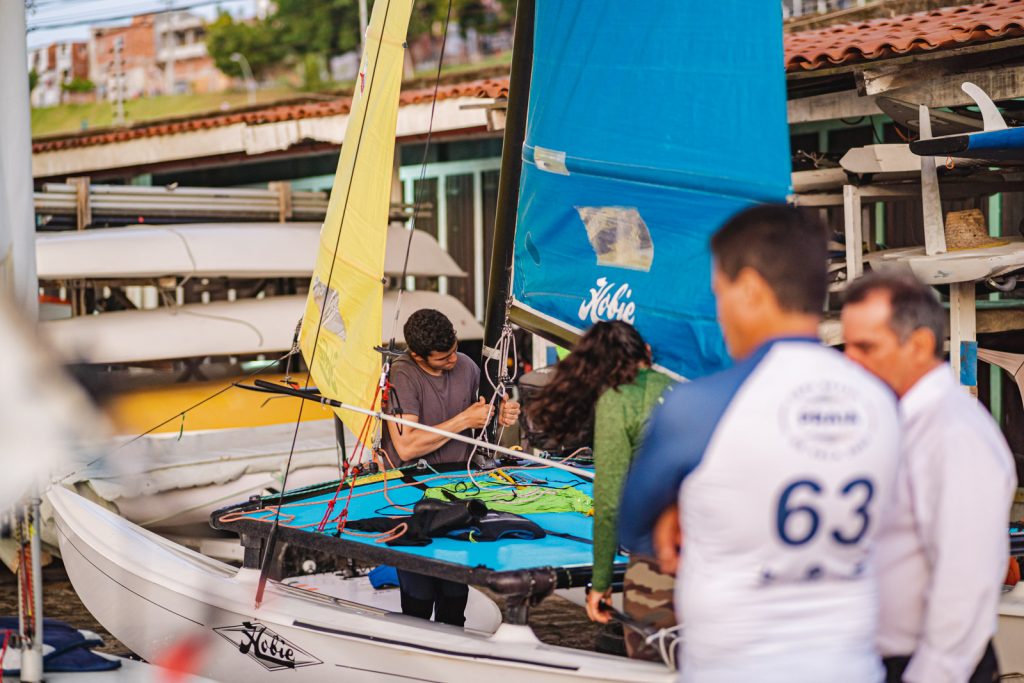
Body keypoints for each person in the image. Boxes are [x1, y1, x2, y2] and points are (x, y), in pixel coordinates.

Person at [618, 204, 901, 682]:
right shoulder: (881, 402)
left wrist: (678, 510)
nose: (720, 313)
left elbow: (633, 529)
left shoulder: (698, 407)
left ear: (749, 289)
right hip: (852, 668)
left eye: (719, 294)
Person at [842, 272, 1017, 683]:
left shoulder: (953, 432)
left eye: (866, 346)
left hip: (929, 665)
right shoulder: (898, 420)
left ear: (918, 345)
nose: (849, 361)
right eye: (846, 346)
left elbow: (965, 580)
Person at [525, 320, 675, 659]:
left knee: (654, 663)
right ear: (646, 353)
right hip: (717, 552)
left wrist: (602, 583)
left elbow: (607, 506)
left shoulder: (617, 400)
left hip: (658, 557)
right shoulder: (678, 386)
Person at [381, 308, 520, 626]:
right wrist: (463, 420)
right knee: (418, 603)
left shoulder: (468, 366)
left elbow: (481, 422)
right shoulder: (402, 374)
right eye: (443, 358)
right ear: (417, 355)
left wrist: (500, 415)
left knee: (454, 601)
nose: (452, 360)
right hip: (414, 498)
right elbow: (406, 445)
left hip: (459, 491)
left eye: (455, 350)